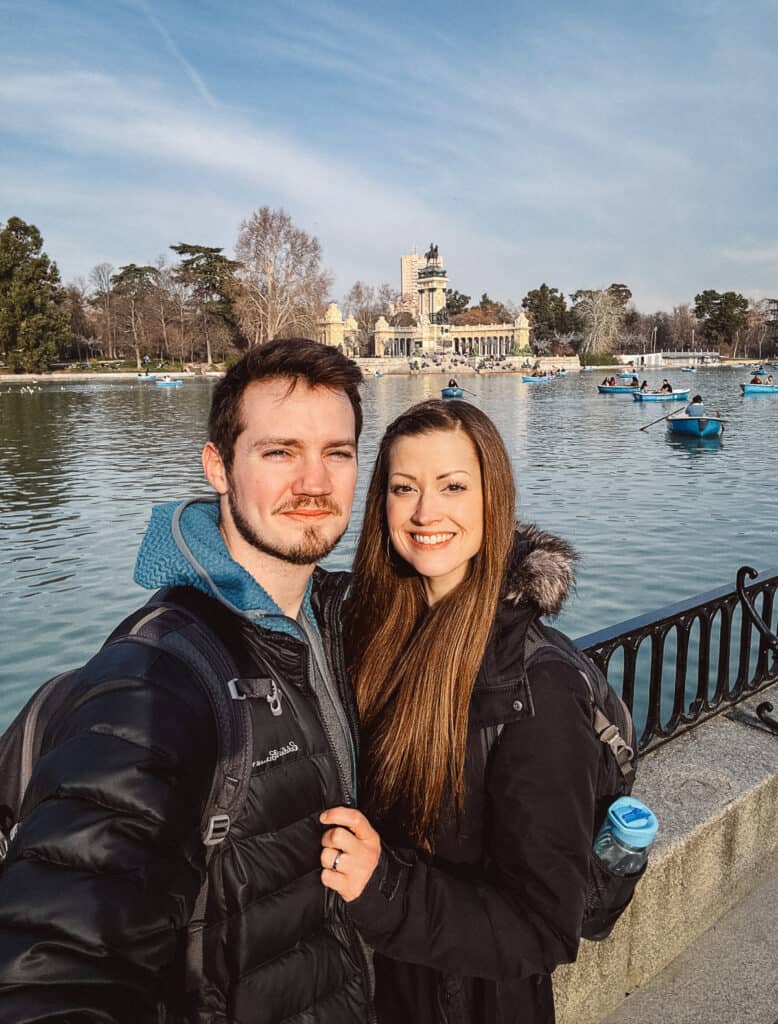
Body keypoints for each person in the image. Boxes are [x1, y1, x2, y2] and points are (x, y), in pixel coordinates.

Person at [0, 339, 373, 1022]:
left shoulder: (325, 616)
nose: (314, 482)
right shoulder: (157, 679)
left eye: (338, 453)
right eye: (280, 452)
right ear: (218, 468)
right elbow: (56, 964)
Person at [319, 400, 601, 1024]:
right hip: (365, 987)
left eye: (452, 486)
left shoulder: (538, 686)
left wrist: (383, 888)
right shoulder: (366, 625)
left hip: (468, 1003)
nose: (425, 513)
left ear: (490, 499)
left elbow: (544, 928)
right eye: (404, 488)